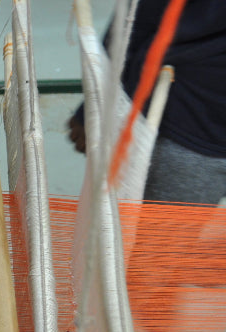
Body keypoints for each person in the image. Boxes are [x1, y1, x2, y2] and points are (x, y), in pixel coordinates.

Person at [67, 0, 226, 205]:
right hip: (188, 121)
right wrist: (97, 104)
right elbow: (138, 17)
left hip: (191, 121)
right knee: (163, 236)